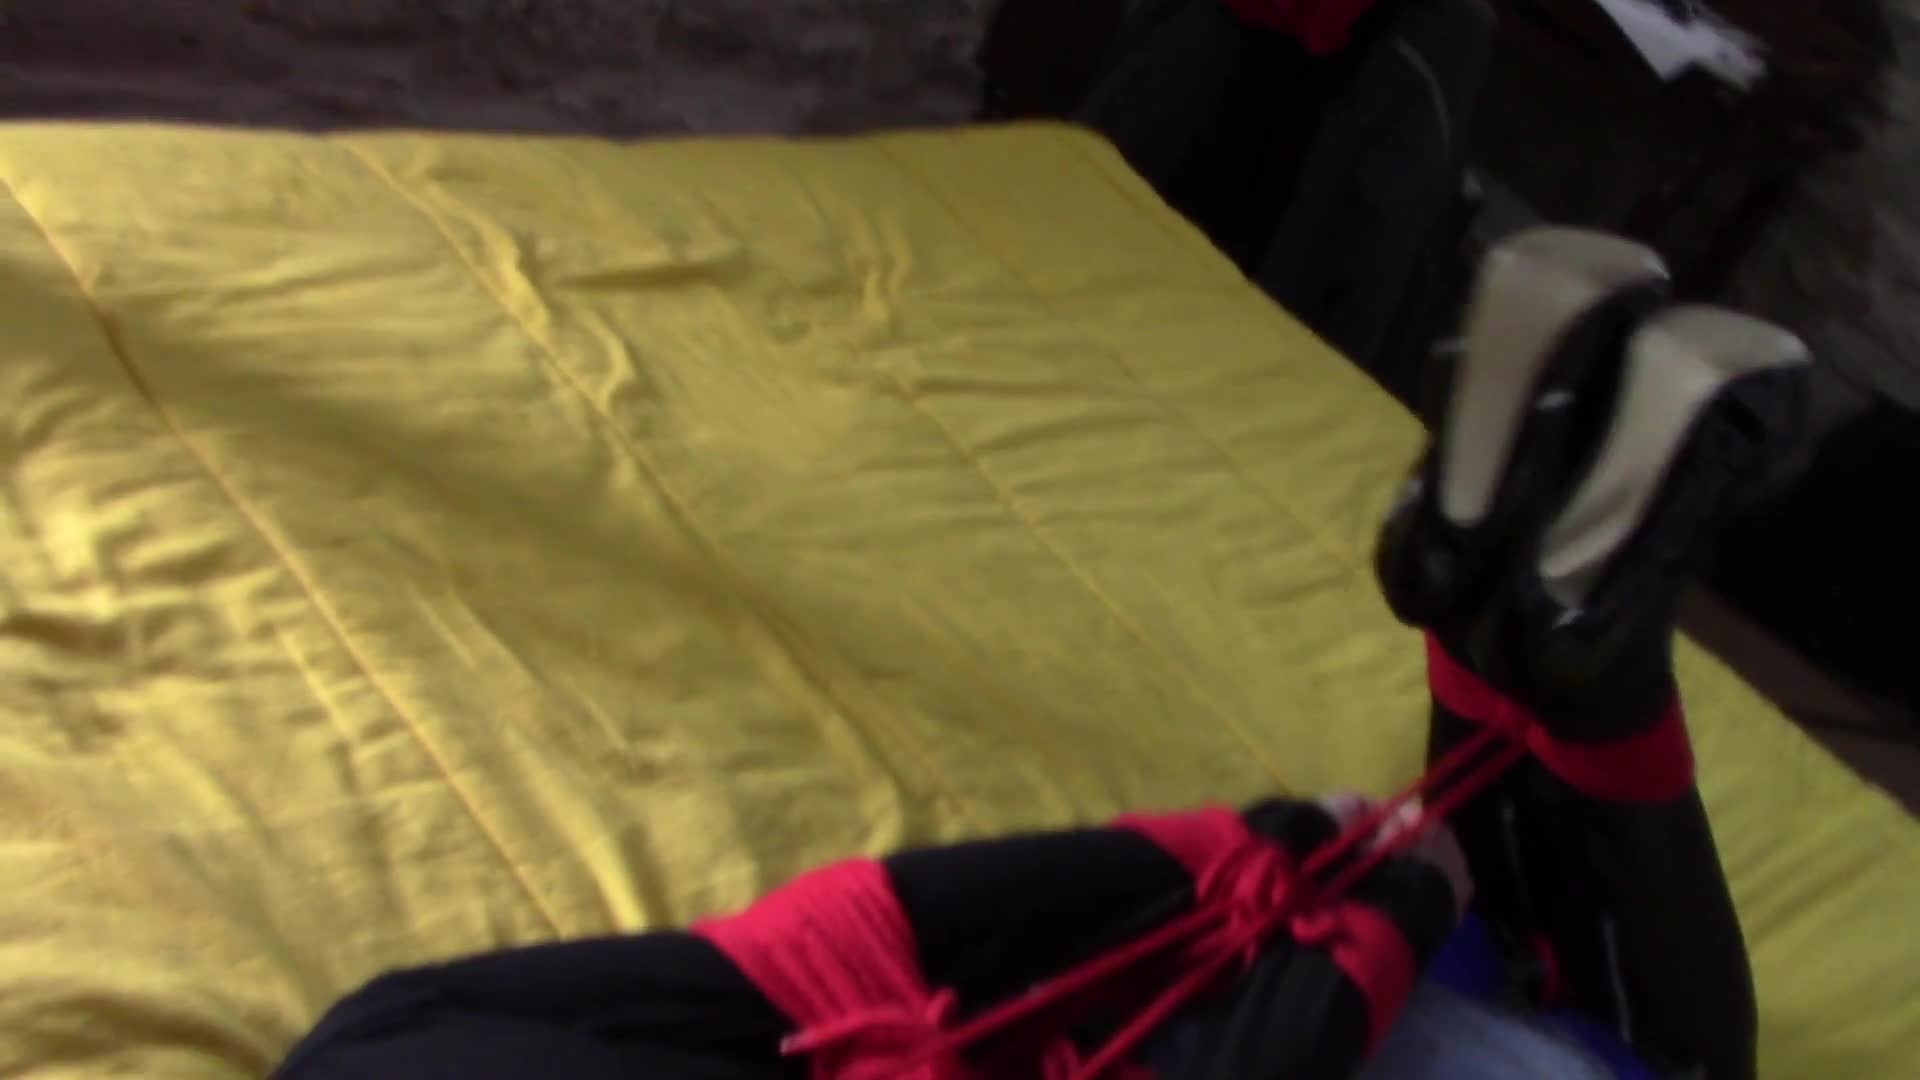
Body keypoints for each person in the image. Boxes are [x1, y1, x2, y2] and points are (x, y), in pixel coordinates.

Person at [273, 228, 1808, 1080]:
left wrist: (1367, 927)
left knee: (1617, 1030)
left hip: (1220, 1038)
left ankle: (1570, 649)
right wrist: (1273, 861)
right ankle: (1505, 609)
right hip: (1116, 987)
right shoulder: (364, 1050)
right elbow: (826, 943)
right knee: (1519, 937)